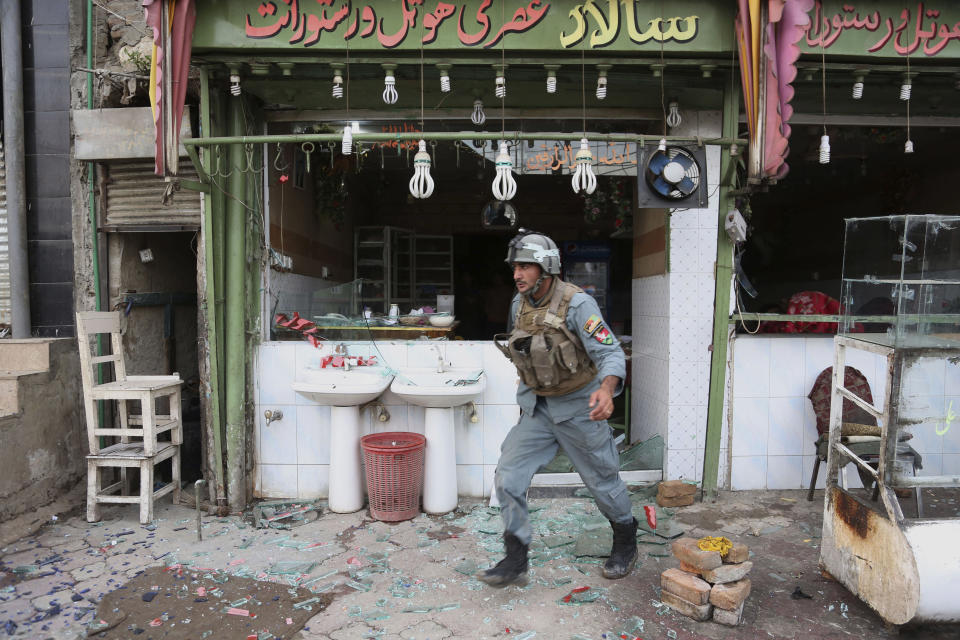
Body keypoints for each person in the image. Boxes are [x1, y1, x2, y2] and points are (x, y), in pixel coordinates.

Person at [479, 229, 637, 588]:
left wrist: (607, 390)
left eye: (525, 267)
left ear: (546, 268)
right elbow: (521, 345)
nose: (517, 274)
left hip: (580, 407)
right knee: (508, 476)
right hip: (537, 409)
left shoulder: (578, 304)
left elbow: (610, 352)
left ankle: (626, 540)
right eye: (515, 267)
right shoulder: (519, 303)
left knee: (602, 481)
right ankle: (516, 557)